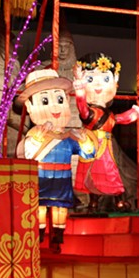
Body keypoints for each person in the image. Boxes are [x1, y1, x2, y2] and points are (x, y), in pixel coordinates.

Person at [16, 68, 95, 252]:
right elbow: (26, 154)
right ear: (30, 107)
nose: (54, 107)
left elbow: (87, 154)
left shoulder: (69, 136)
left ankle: (58, 235)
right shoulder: (34, 134)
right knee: (40, 206)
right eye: (45, 101)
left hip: (62, 179)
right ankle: (39, 233)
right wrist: (37, 139)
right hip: (41, 178)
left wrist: (84, 140)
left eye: (59, 99)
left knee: (60, 208)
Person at [73, 52, 139, 211]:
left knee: (111, 174)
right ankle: (96, 203)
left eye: (105, 79)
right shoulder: (91, 113)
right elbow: (82, 109)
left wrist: (137, 112)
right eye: (90, 79)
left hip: (106, 149)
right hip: (93, 148)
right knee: (95, 176)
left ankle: (117, 201)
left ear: (115, 82)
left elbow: (120, 118)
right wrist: (80, 89)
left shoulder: (108, 114)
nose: (98, 85)